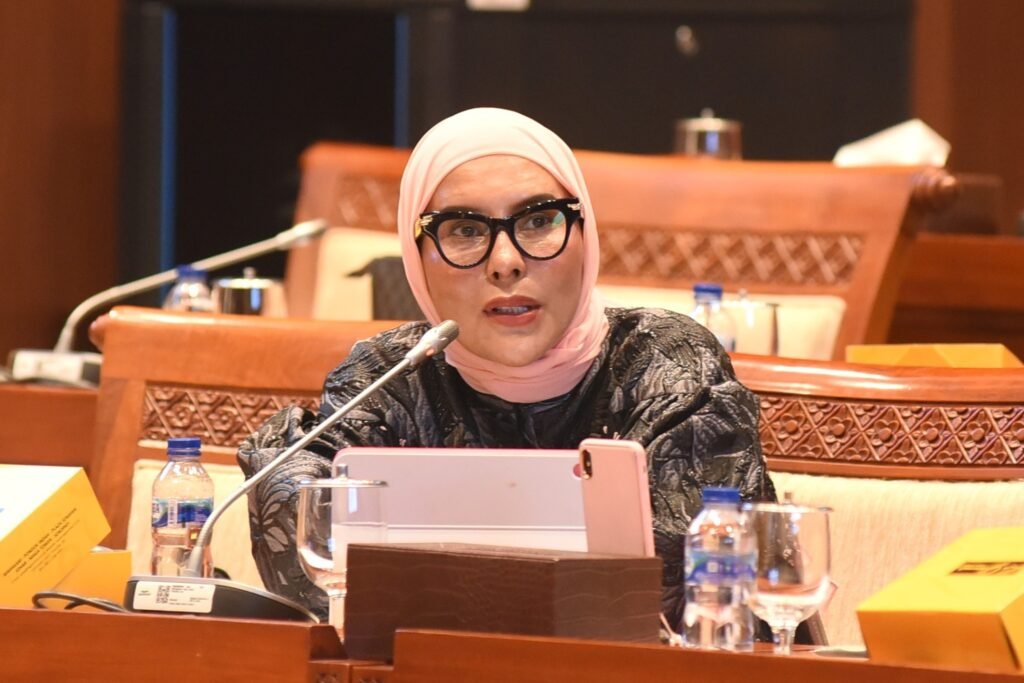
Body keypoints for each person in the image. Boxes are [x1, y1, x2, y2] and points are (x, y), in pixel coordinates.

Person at [238, 107, 775, 626]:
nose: (505, 262)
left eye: (539, 221)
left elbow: (687, 593)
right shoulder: (390, 378)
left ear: (585, 232)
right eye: (464, 230)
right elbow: (305, 540)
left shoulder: (664, 364)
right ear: (415, 255)